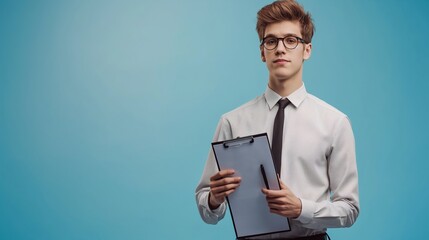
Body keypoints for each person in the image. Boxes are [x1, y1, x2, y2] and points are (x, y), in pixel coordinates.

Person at [195, 0, 359, 239]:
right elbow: (206, 208)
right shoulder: (232, 121)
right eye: (271, 41)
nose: (280, 49)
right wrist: (213, 199)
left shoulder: (335, 122)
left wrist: (302, 208)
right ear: (263, 52)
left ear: (307, 50)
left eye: (291, 40)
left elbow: (350, 209)